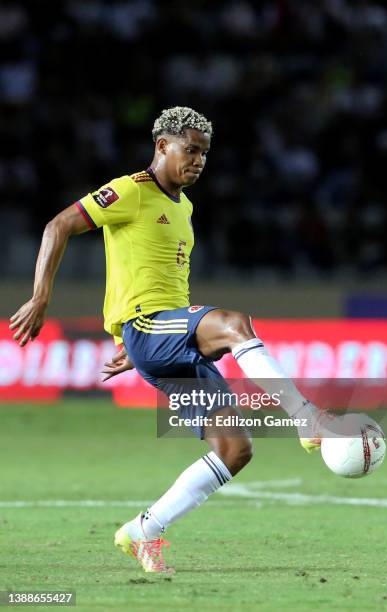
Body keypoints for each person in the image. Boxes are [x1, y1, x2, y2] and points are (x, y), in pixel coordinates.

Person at [10, 106, 324, 574]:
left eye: (204, 153)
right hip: (149, 328)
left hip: (165, 339)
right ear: (162, 146)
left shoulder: (185, 207)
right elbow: (58, 226)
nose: (198, 160)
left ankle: (144, 530)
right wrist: (40, 299)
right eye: (190, 150)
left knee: (236, 450)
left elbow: (164, 285)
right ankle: (305, 416)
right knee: (235, 323)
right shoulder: (130, 191)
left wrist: (149, 350)